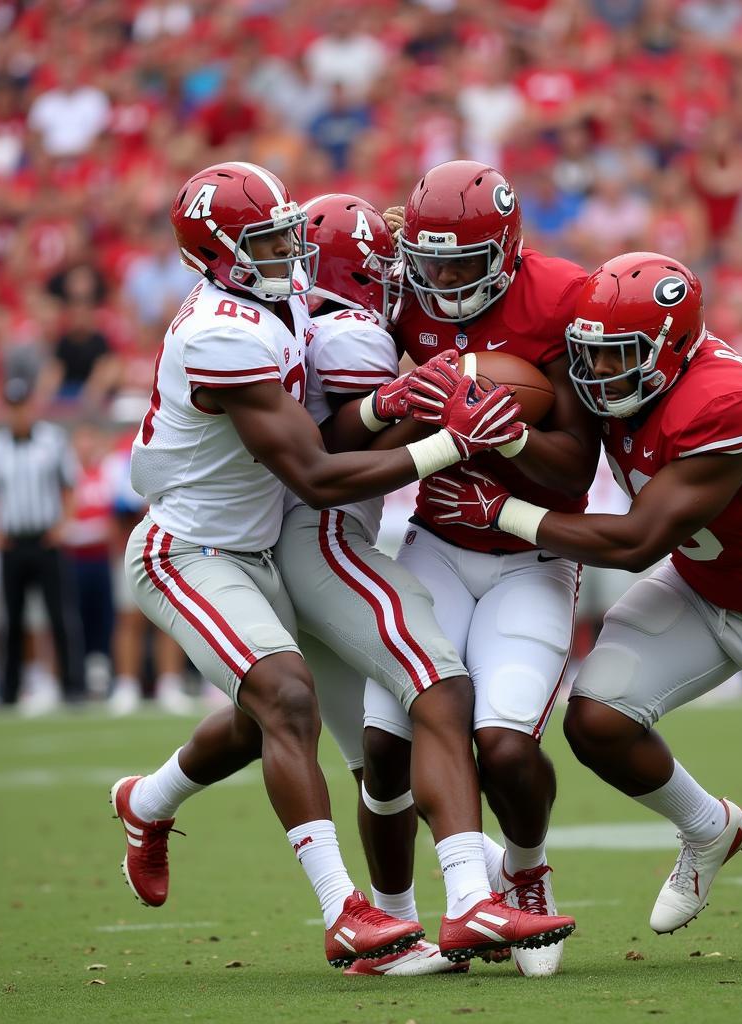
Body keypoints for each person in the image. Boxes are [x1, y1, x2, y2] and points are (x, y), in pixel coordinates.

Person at [112, 161, 570, 970]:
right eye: (266, 240)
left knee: (277, 725)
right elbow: (319, 470)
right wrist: (440, 437)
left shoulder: (282, 297)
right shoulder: (235, 329)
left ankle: (148, 803)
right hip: (201, 545)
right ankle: (383, 910)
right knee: (317, 699)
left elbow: (333, 375)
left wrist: (382, 400)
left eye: (291, 234)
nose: (290, 254)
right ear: (216, 256)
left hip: (263, 539)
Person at [427, 252, 742, 962]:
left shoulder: (724, 401)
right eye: (592, 356)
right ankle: (708, 827)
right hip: (704, 585)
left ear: (672, 349)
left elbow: (638, 541)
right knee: (598, 720)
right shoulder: (622, 375)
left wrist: (502, 511)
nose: (600, 375)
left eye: (620, 358)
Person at [275, 193, 543, 974]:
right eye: (382, 269)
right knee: (439, 688)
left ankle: (391, 929)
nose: (399, 281)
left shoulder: (293, 320)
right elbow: (330, 461)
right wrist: (440, 424)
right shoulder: (354, 333)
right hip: (321, 537)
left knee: (368, 758)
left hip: (293, 544)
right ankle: (471, 898)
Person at [366, 159, 598, 976]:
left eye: (465, 263)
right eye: (434, 264)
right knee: (384, 740)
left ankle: (525, 870)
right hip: (432, 541)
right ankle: (395, 922)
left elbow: (573, 470)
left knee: (502, 747)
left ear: (507, 250)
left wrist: (507, 436)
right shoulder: (402, 286)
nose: (448, 281)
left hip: (530, 556)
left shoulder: (563, 297)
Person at [0, 376, 85, 708]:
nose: (18, 414)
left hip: (46, 541)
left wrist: (62, 526)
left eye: (23, 406)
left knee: (60, 615)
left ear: (32, 406)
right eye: (12, 407)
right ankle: (9, 690)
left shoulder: (53, 441)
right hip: (12, 543)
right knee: (11, 620)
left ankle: (73, 687)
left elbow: (69, 486)